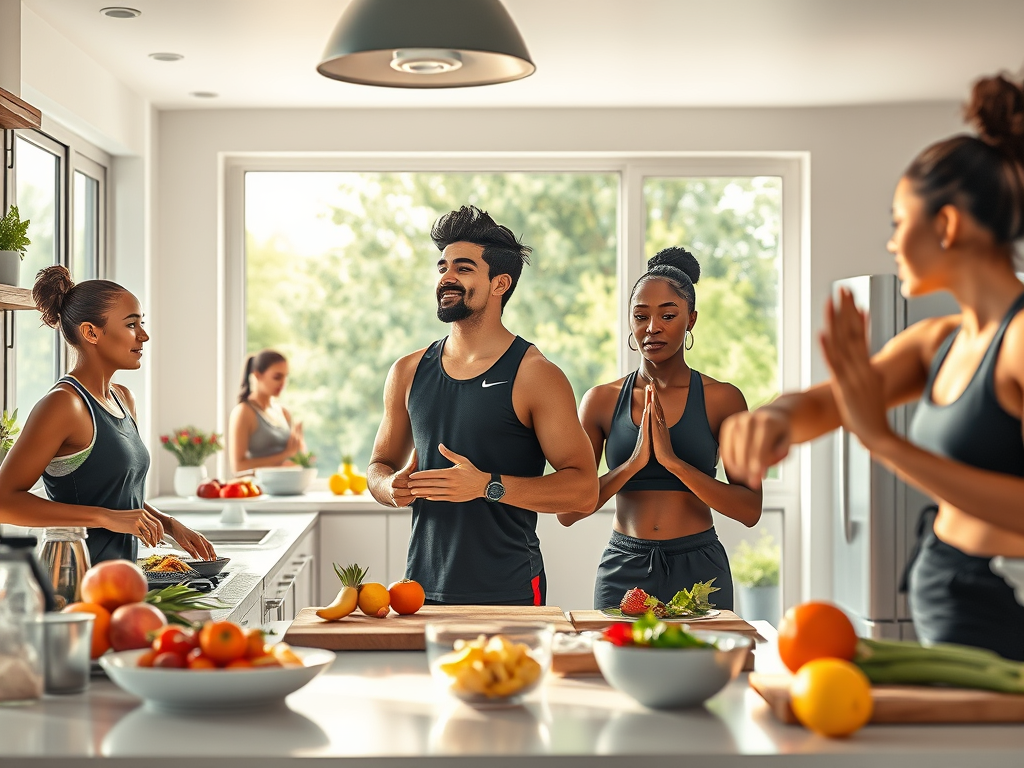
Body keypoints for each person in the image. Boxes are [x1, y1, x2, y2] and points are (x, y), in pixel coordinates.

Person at [720, 74, 1024, 660]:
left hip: (1001, 605)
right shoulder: (938, 340)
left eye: (898, 221)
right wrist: (772, 421)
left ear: (946, 225)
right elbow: (831, 402)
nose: (890, 242)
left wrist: (884, 444)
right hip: (947, 586)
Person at [367, 205, 599, 605]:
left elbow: (583, 491)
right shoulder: (407, 371)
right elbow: (378, 466)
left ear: (499, 284)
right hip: (418, 591)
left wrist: (487, 487)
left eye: (463, 268)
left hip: (510, 590)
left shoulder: (536, 375)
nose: (446, 278)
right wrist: (391, 487)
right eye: (442, 267)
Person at [559, 248, 763, 611]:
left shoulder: (723, 400)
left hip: (700, 568)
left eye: (668, 315)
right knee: (618, 667)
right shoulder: (601, 400)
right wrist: (632, 465)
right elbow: (569, 512)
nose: (652, 328)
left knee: (702, 670)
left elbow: (750, 509)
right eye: (640, 316)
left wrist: (674, 463)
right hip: (624, 567)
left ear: (691, 320)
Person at [0, 266, 216, 564]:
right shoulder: (64, 405)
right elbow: (4, 501)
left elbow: (118, 494)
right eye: (131, 325)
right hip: (73, 582)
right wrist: (104, 518)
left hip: (120, 580)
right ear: (91, 332)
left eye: (141, 323)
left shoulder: (123, 398)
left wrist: (168, 524)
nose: (144, 335)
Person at [227, 349, 304, 474]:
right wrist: (285, 455)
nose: (283, 383)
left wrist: (299, 448)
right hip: (258, 490)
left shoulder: (284, 413)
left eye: (285, 376)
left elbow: (295, 457)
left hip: (286, 487)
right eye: (277, 377)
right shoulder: (244, 412)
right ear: (257, 375)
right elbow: (238, 467)